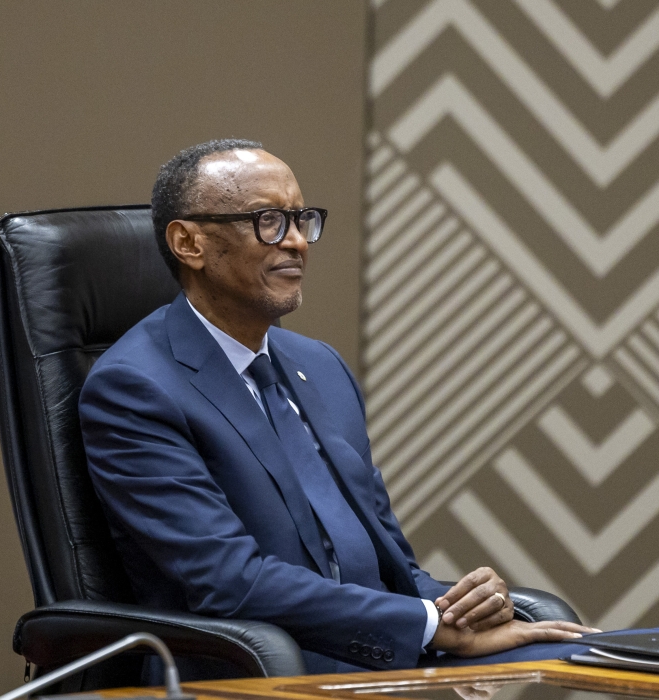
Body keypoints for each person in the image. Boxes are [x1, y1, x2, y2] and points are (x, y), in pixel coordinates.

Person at [79, 139, 595, 674]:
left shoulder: (320, 366)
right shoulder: (135, 387)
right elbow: (230, 582)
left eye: (302, 220)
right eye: (270, 222)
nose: (299, 242)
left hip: (374, 660)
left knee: (620, 659)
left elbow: (383, 562)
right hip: (255, 672)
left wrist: (459, 607)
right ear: (189, 243)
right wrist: (424, 625)